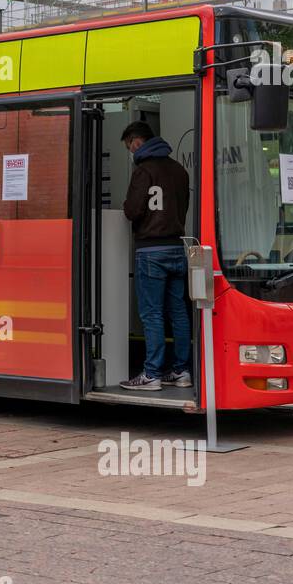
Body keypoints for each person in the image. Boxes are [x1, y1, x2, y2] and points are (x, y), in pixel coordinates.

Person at [120, 121, 193, 391]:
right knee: (179, 313)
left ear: (137, 142)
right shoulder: (179, 171)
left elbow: (132, 211)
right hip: (177, 247)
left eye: (129, 146)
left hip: (150, 250)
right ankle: (182, 371)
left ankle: (151, 373)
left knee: (152, 314)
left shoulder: (143, 171)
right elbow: (183, 208)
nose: (131, 151)